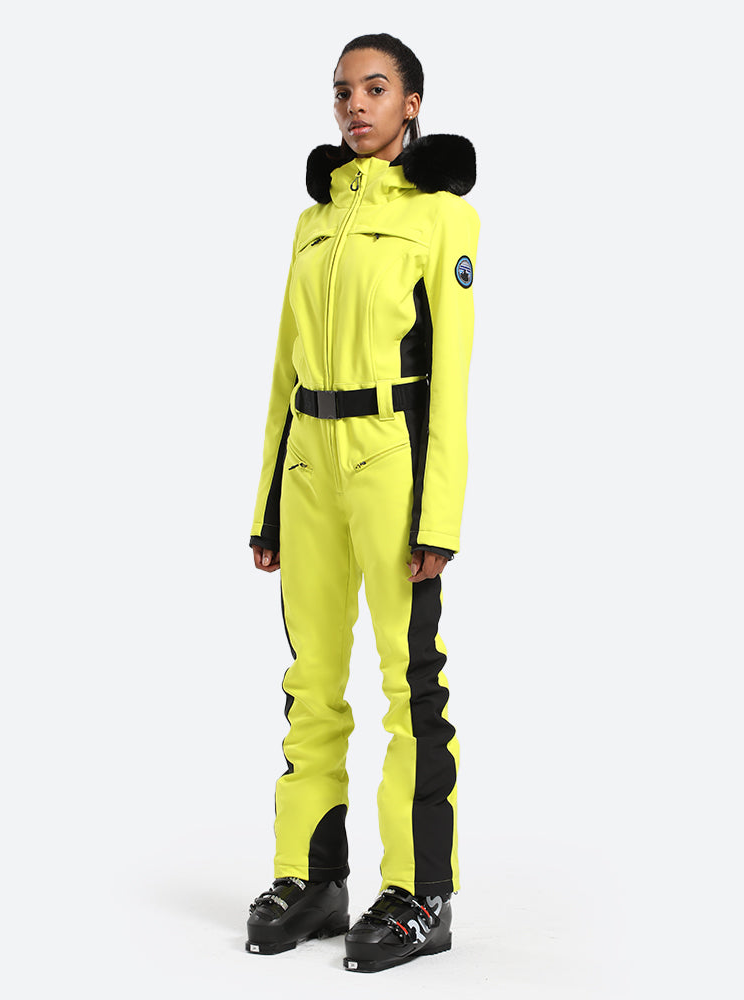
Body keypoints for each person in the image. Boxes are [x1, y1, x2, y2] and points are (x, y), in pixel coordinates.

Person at [245, 32, 480, 973]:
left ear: (411, 102)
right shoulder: (313, 222)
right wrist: (267, 504)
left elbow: (452, 379)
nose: (355, 106)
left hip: (391, 457)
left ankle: (420, 893)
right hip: (309, 462)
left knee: (408, 685)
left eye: (375, 89)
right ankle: (312, 879)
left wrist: (439, 517)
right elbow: (284, 369)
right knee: (311, 681)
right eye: (343, 91)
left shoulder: (442, 218)